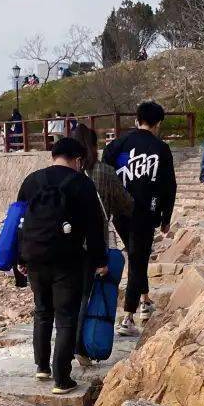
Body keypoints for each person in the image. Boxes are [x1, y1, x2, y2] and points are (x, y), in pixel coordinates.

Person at [16, 135, 107, 394]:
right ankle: (62, 379)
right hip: (67, 260)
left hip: (34, 256)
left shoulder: (32, 181)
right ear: (78, 160)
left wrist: (19, 259)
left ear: (53, 156)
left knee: (42, 311)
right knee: (65, 317)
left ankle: (42, 367)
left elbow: (18, 222)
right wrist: (100, 261)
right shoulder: (82, 184)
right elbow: (94, 227)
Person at [101, 100, 177, 335]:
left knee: (137, 254)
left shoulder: (117, 145)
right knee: (137, 258)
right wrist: (166, 217)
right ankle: (128, 317)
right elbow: (169, 186)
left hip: (120, 213)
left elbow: (103, 174)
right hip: (147, 212)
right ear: (158, 123)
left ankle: (145, 301)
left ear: (137, 119)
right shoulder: (160, 148)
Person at [75, 120, 133, 364]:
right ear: (95, 147)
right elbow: (126, 205)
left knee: (74, 297)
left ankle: (68, 349)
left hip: (69, 244)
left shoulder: (67, 174)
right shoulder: (105, 172)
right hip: (96, 243)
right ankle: (86, 344)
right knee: (93, 295)